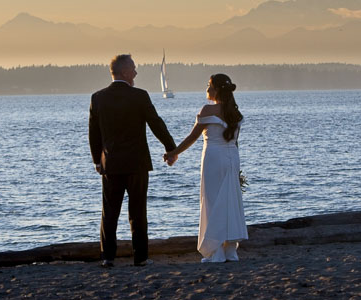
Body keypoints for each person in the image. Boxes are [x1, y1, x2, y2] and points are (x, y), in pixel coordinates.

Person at [89, 54, 177, 267]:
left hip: (111, 164)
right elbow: (156, 124)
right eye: (134, 69)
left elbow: (93, 133)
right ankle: (141, 258)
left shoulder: (98, 97)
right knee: (138, 212)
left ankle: (107, 257)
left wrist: (97, 161)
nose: (136, 73)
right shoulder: (139, 96)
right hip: (137, 163)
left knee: (109, 212)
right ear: (125, 72)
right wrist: (171, 148)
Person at [164, 73, 248, 262]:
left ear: (217, 90)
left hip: (213, 157)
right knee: (230, 201)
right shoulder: (235, 113)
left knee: (211, 201)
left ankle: (215, 250)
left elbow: (191, 138)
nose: (207, 89)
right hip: (232, 158)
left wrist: (173, 153)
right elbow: (235, 142)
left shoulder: (207, 111)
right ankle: (230, 250)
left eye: (209, 85)